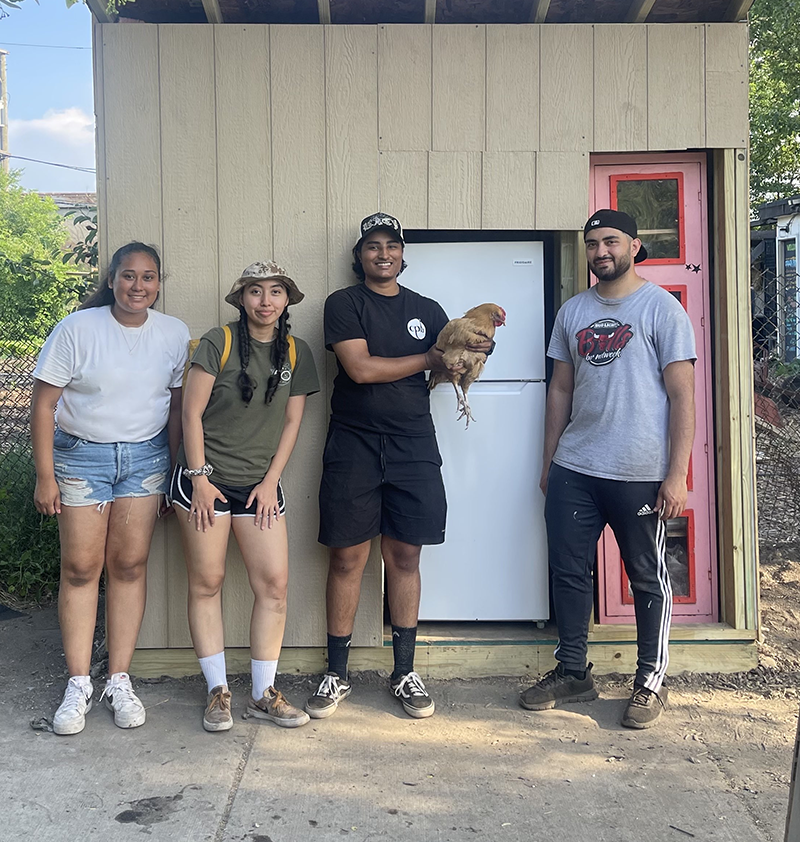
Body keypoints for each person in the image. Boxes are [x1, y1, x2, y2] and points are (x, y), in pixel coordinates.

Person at [305, 213, 490, 720]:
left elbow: (449, 360)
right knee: (346, 558)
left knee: (406, 556)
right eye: (372, 246)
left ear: (403, 254)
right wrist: (428, 360)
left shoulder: (427, 309)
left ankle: (404, 672)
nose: (382, 253)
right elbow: (360, 369)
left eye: (391, 245)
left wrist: (466, 355)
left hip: (413, 444)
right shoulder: (345, 304)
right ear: (360, 256)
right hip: (353, 444)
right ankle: (336, 674)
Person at [519, 209, 696, 728]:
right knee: (569, 573)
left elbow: (683, 397)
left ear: (635, 246)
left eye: (611, 241)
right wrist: (549, 460)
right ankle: (573, 671)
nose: (601, 252)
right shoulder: (573, 312)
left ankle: (649, 682)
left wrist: (677, 473)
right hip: (577, 465)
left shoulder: (662, 309)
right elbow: (560, 390)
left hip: (639, 470)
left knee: (647, 576)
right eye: (593, 244)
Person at [31, 242, 189, 735]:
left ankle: (119, 678)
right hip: (82, 459)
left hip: (145, 460)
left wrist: (175, 470)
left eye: (148, 277)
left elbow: (178, 409)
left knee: (128, 565)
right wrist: (45, 475)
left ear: (159, 283)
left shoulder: (173, 334)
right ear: (112, 279)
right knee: (80, 568)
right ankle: (78, 682)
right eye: (127, 276)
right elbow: (42, 404)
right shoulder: (78, 329)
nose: (137, 286)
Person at [173, 262, 319, 732]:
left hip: (259, 484)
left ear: (286, 301)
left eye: (276, 292)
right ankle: (218, 692)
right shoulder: (220, 341)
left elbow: (293, 422)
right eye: (255, 292)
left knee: (273, 585)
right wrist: (198, 479)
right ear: (242, 299)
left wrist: (269, 481)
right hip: (206, 481)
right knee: (207, 581)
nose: (265, 301)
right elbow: (191, 414)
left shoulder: (297, 351)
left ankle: (262, 692)